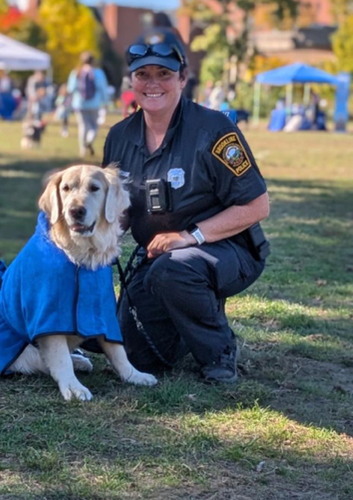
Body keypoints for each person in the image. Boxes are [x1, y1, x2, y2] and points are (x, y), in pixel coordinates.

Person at [102, 28, 270, 383]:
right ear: (131, 80)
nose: (153, 83)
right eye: (143, 74)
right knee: (138, 355)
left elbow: (257, 206)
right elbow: (119, 208)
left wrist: (189, 236)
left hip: (226, 249)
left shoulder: (214, 129)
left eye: (164, 74)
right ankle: (185, 323)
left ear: (182, 78)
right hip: (159, 257)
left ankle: (220, 352)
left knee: (175, 271)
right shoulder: (119, 136)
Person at [67, 51, 109, 157]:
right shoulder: (98, 73)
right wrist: (106, 102)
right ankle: (89, 141)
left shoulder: (76, 72)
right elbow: (103, 88)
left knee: (83, 126)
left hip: (79, 103)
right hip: (95, 103)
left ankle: (82, 149)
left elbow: (70, 89)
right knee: (94, 126)